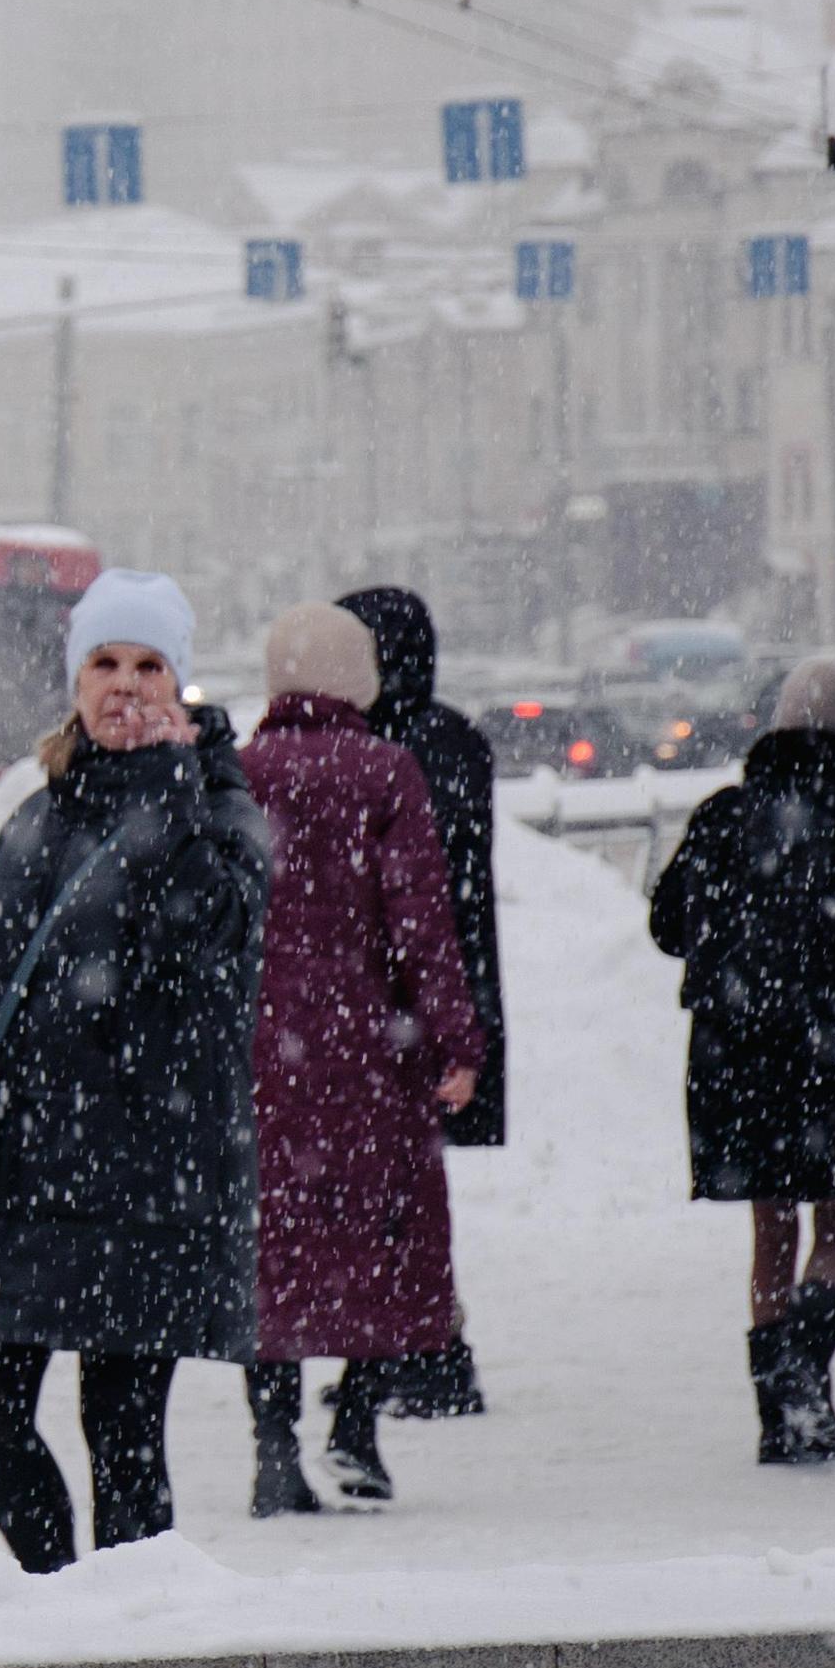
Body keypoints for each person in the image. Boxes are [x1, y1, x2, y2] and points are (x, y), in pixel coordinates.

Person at [0, 569, 268, 1570]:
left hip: (150, 1175)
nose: (123, 685)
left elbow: (206, 941)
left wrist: (173, 791)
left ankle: (127, 1650)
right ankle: (61, 1604)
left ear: (178, 683)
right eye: (104, 662)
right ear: (74, 678)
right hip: (25, 1176)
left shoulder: (219, 811)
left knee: (122, 1432)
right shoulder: (35, 819)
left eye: (146, 665)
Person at [240, 604, 484, 1515]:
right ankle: (357, 1433)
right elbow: (423, 919)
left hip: (263, 1060)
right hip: (372, 1053)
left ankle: (272, 1448)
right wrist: (456, 1041)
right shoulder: (386, 771)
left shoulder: (240, 773)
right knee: (381, 1244)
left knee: (275, 1251)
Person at [649, 659, 835, 1465]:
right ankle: (810, 1363)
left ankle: (778, 1411)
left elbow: (668, 927)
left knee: (771, 1221)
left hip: (737, 1048)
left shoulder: (724, 814)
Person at [342, 583, 504, 1421]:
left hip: (391, 997)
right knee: (406, 1186)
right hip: (442, 987)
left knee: (392, 1191)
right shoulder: (454, 742)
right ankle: (415, 1343)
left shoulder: (378, 753)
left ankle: (430, 1347)